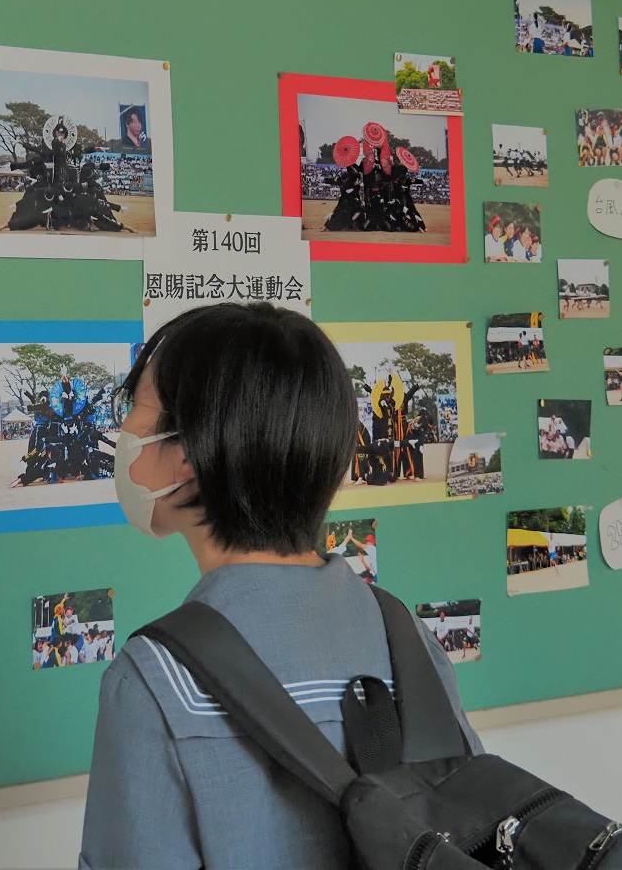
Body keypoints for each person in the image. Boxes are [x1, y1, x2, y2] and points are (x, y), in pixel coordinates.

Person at [79, 302, 481, 868]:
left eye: (135, 409)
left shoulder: (155, 682)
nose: (124, 432)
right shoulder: (406, 637)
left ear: (187, 453)